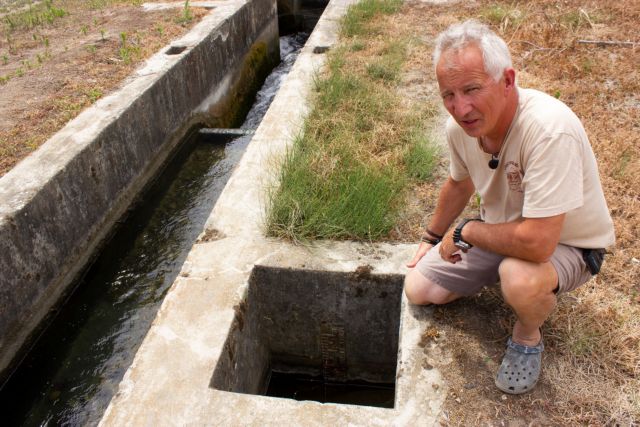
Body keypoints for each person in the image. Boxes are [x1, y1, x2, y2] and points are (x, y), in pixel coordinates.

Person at [404, 20, 615, 395]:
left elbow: (538, 244)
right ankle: (499, 276)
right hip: (502, 232)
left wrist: (465, 232)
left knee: (519, 275)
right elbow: (459, 182)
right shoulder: (462, 130)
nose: (460, 107)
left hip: (568, 245)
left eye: (471, 89)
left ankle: (528, 334)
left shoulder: (548, 129)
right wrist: (431, 236)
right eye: (448, 94)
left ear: (507, 80)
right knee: (420, 288)